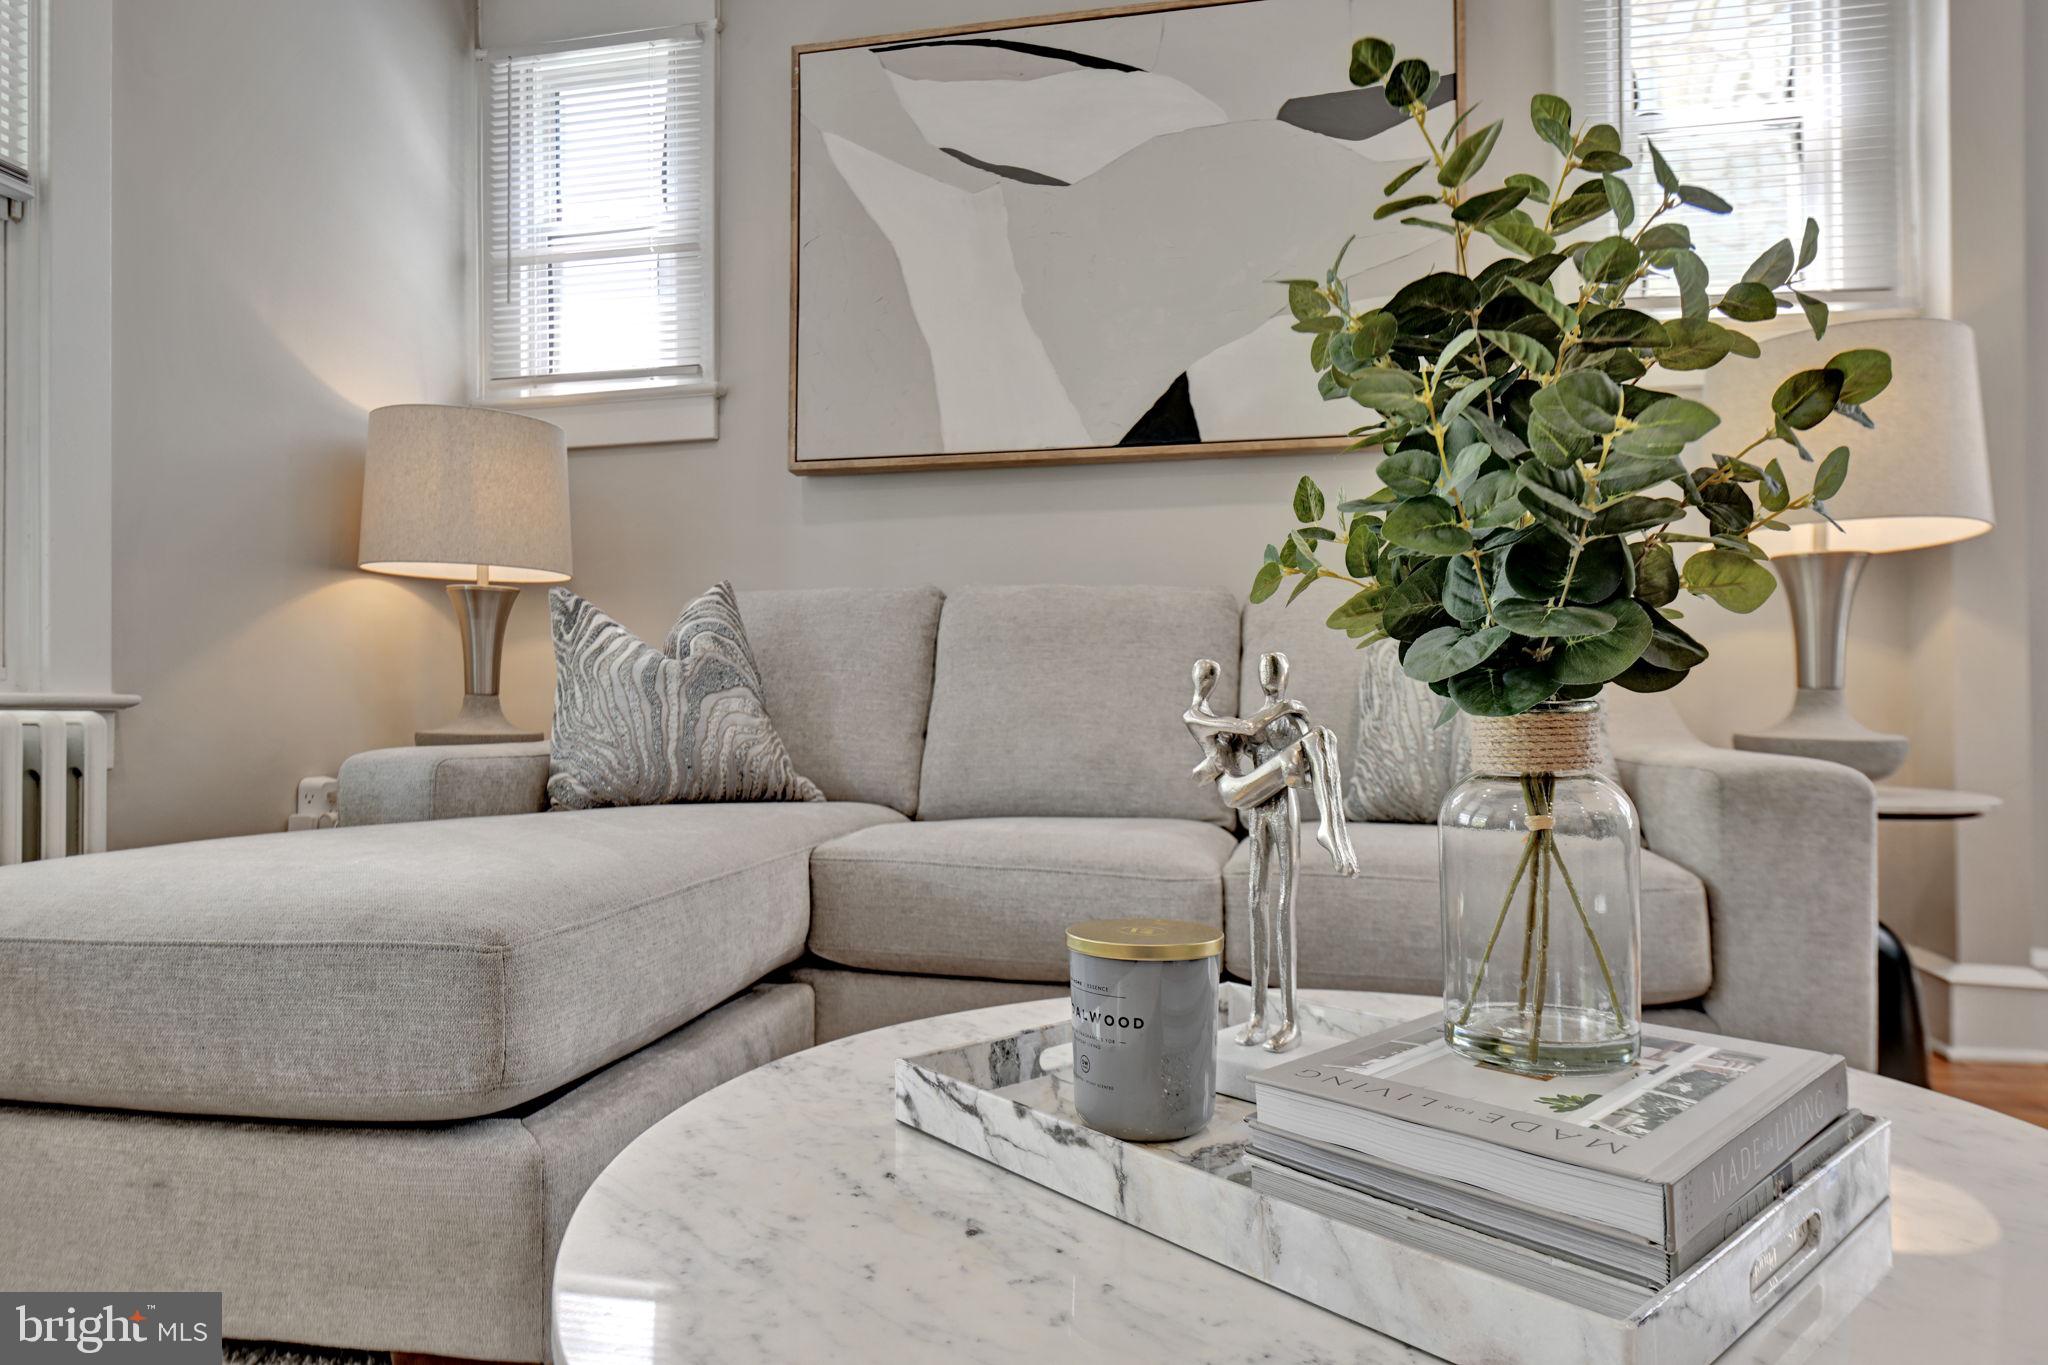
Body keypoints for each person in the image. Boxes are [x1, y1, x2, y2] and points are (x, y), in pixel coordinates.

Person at [1183, 654, 1358, 1051]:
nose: (1270, 677)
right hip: (1257, 809)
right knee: (1254, 902)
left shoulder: (1292, 721)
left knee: (1283, 907)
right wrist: (1222, 756)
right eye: (1267, 672)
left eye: (1275, 671)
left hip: (1281, 809)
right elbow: (1215, 763)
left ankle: (1290, 1021)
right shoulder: (1232, 718)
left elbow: (1303, 776)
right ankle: (1258, 1015)